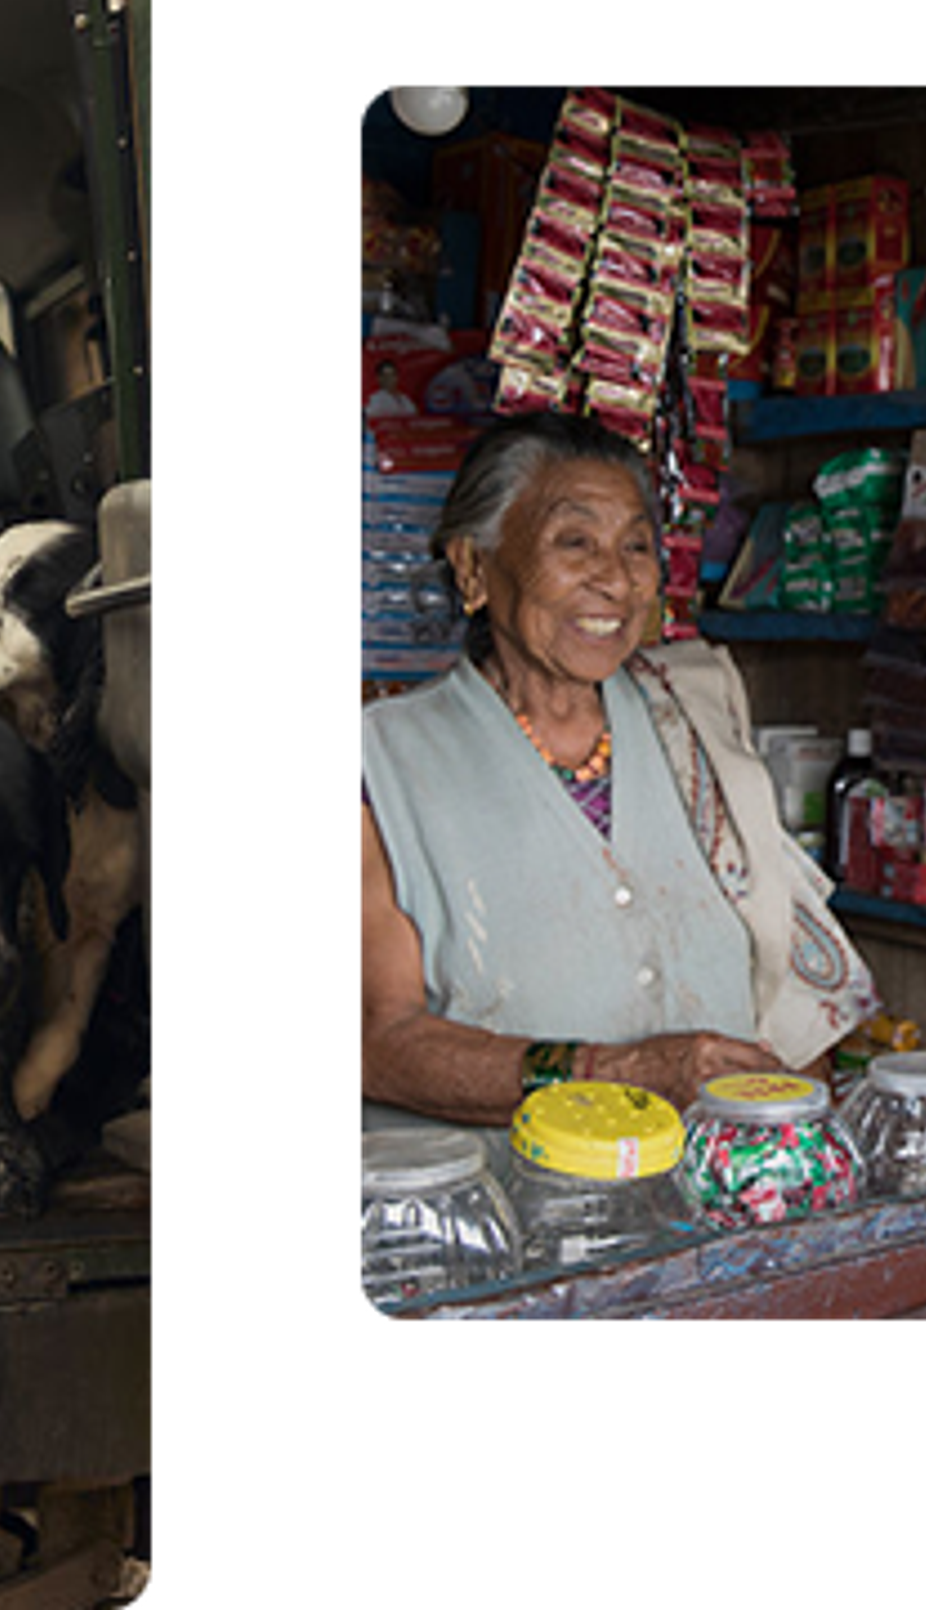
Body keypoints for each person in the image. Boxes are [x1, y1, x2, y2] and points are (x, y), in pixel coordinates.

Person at [359, 410, 878, 1131]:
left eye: (636, 546)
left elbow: (786, 997)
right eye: (574, 542)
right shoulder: (382, 762)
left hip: (711, 1183)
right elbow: (379, 1041)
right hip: (501, 1194)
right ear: (474, 567)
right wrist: (616, 1073)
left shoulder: (693, 717)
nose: (615, 578)